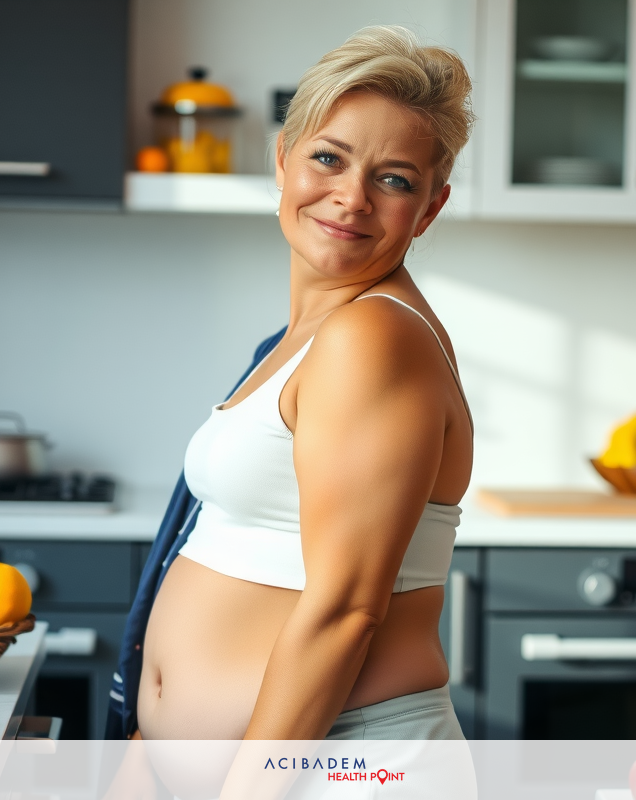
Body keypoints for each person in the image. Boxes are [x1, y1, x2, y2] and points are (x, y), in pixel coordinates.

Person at [107, 24, 475, 753]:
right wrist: (147, 755)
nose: (351, 197)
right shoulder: (294, 343)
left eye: (395, 179)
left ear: (429, 209)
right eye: (329, 158)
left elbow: (344, 612)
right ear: (283, 160)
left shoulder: (374, 339)